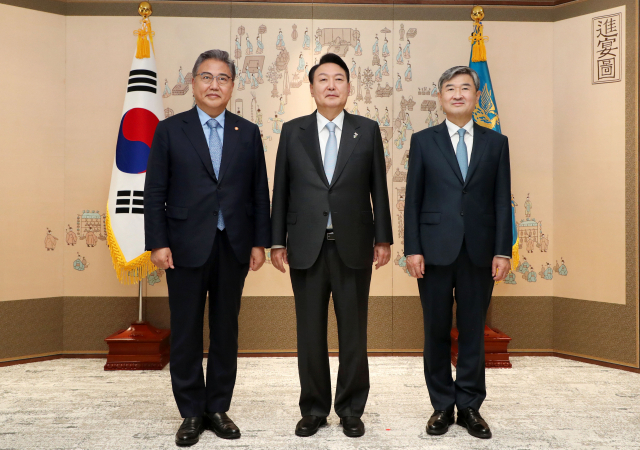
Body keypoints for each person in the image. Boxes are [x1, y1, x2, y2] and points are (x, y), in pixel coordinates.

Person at [144, 49, 271, 447]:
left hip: (233, 244)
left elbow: (259, 192)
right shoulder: (169, 130)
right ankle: (190, 412)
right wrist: (157, 243)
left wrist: (259, 242)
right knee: (185, 330)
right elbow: (154, 192)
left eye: (223, 78)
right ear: (194, 82)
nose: (214, 85)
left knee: (225, 330)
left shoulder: (247, 132)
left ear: (232, 86)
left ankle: (217, 407)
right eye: (207, 77)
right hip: (183, 245)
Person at [270, 53, 393, 439]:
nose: (331, 85)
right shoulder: (293, 131)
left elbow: (378, 187)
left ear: (349, 87)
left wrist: (383, 238)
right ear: (311, 88)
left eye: (339, 79)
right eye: (323, 79)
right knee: (309, 333)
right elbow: (282, 189)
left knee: (353, 332)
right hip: (305, 246)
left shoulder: (366, 130)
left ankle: (351, 409)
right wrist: (276, 241)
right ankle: (313, 409)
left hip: (353, 245)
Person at [404, 66, 511, 440]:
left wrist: (502, 250)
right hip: (433, 250)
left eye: (465, 88)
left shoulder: (496, 143)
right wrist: (413, 248)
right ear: (440, 97)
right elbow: (413, 199)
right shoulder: (424, 141)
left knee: (472, 331)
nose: (458, 94)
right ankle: (440, 406)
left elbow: (502, 200)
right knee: (435, 330)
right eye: (450, 88)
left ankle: (469, 406)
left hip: (480, 251)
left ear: (477, 96)